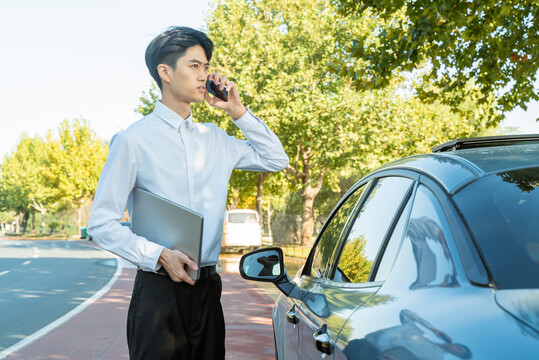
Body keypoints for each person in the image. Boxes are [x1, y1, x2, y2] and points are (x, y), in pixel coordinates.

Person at [87, 26, 288, 360]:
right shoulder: (132, 141)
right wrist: (158, 255)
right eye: (194, 66)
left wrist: (236, 111)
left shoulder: (216, 139)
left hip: (208, 291)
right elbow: (101, 224)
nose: (204, 75)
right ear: (165, 72)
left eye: (206, 67)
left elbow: (275, 159)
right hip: (158, 293)